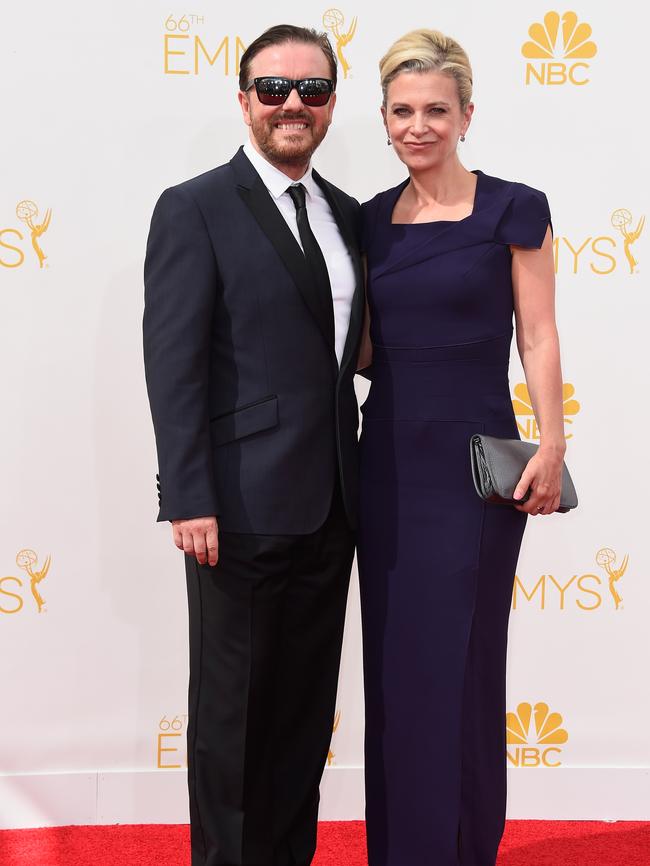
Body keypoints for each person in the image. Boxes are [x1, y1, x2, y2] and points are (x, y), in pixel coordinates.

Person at [143, 24, 364, 866]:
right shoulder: (193, 207)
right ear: (244, 101)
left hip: (333, 507)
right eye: (273, 89)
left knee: (302, 721)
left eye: (310, 90)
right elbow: (174, 363)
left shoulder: (346, 214)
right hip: (234, 509)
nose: (292, 105)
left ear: (332, 105)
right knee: (234, 722)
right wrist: (188, 494)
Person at [356, 29, 566, 866]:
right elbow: (364, 347)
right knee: (396, 669)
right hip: (388, 466)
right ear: (383, 118)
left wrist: (551, 443)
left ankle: (461, 847)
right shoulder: (369, 220)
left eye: (436, 110)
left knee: (465, 666)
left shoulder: (513, 207)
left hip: (476, 469)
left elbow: (540, 337)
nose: (418, 126)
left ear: (466, 115)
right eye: (402, 111)